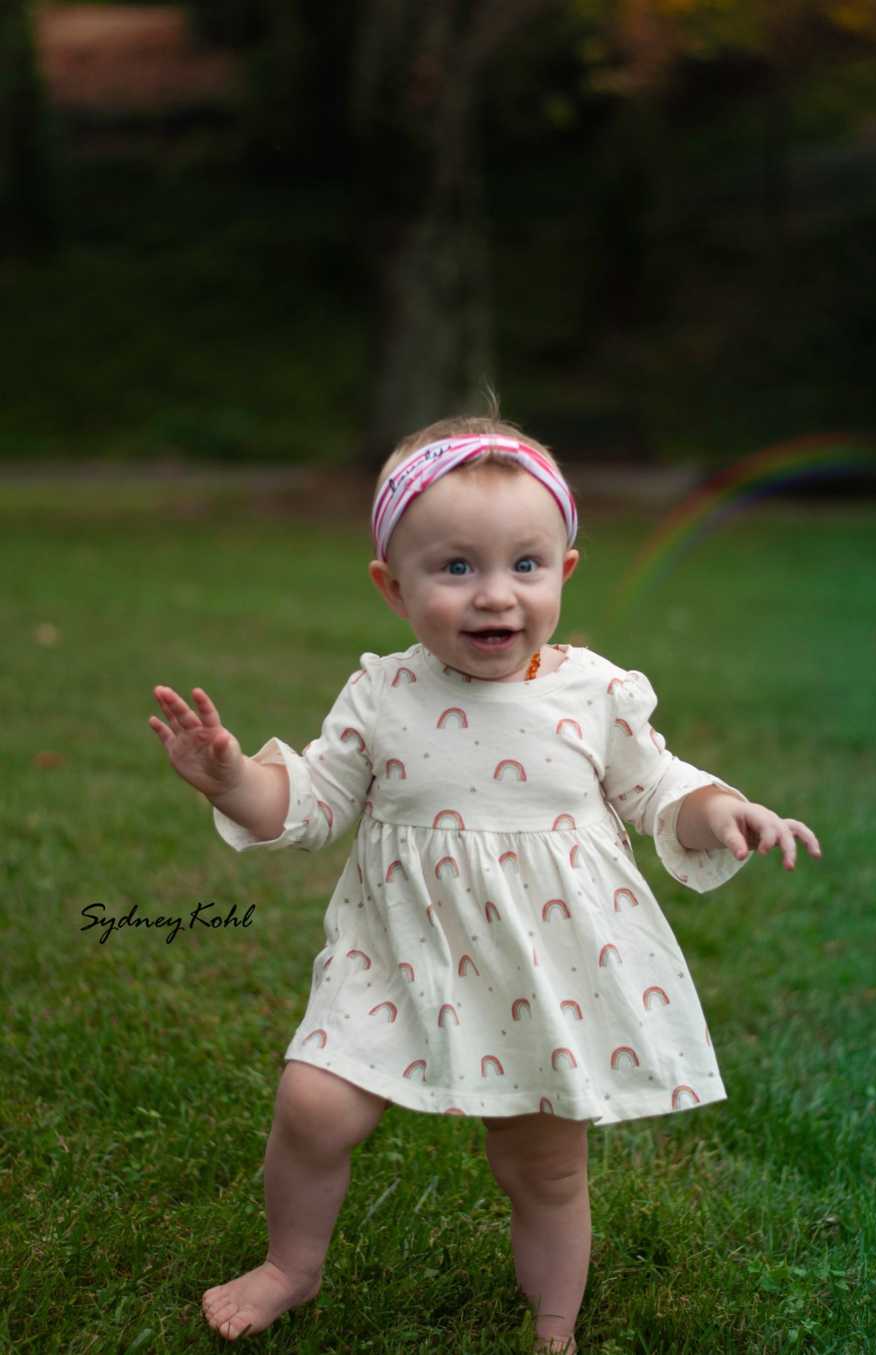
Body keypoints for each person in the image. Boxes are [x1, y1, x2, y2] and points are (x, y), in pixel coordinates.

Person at [149, 415, 821, 1353]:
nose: (494, 595)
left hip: (542, 969)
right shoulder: (384, 694)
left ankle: (555, 1324)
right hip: (395, 954)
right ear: (394, 586)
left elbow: (661, 788)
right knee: (312, 1103)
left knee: (542, 1167)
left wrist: (726, 811)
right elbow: (304, 801)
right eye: (456, 567)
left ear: (565, 572)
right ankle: (289, 1266)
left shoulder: (593, 693)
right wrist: (231, 777)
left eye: (525, 565)